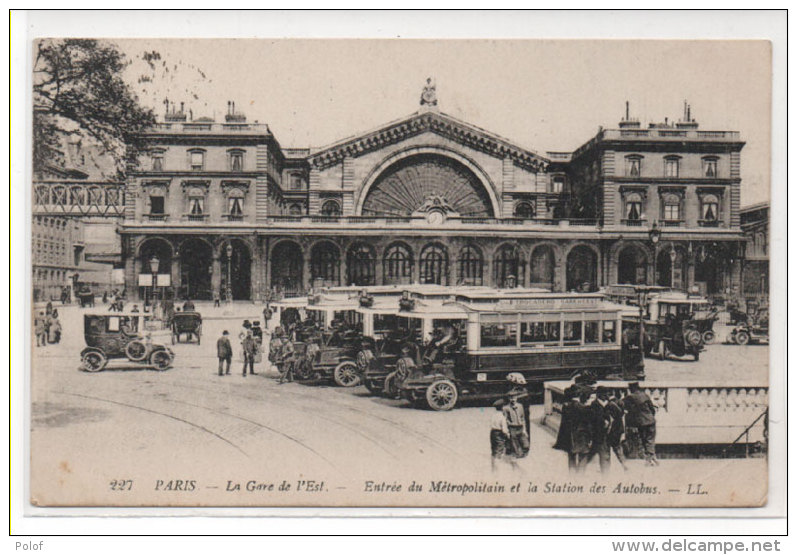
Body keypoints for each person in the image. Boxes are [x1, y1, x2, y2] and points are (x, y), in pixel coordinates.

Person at [623, 382, 658, 466]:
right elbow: (652, 409)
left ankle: (649, 458)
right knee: (650, 439)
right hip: (650, 420)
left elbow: (626, 408)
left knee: (644, 439)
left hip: (640, 422)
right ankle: (651, 457)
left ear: (631, 389)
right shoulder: (645, 395)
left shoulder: (629, 398)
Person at [587, 386, 613, 474]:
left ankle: (605, 473)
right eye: (604, 394)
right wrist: (603, 422)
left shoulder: (608, 404)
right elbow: (594, 419)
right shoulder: (594, 405)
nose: (606, 395)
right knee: (598, 454)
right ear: (599, 395)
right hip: (597, 433)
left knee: (604, 455)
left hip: (606, 434)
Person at [606, 389, 629, 471]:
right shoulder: (620, 402)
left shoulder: (608, 404)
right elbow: (623, 416)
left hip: (611, 428)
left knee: (606, 448)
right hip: (619, 428)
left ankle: (606, 466)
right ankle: (624, 464)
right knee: (617, 447)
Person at [503, 392, 529, 459]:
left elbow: (523, 418)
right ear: (509, 398)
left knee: (525, 443)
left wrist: (524, 429)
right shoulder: (506, 408)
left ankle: (523, 451)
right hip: (512, 427)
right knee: (514, 441)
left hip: (520, 426)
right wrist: (508, 429)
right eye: (511, 397)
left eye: (514, 397)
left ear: (517, 398)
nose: (513, 399)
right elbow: (505, 419)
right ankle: (517, 454)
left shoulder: (520, 406)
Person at [490, 398, 511, 471]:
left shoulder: (494, 415)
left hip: (492, 433)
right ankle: (496, 470)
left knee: (493, 450)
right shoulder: (502, 417)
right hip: (499, 434)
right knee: (499, 452)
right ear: (502, 408)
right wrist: (508, 435)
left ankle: (492, 468)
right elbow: (504, 430)